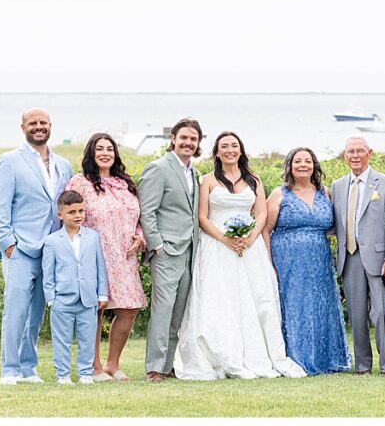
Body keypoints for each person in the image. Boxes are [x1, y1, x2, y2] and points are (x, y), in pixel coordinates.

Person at [175, 132, 306, 380]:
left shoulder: (253, 180)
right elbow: (202, 216)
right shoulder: (207, 180)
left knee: (256, 299)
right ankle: (223, 354)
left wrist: (250, 238)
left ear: (241, 150)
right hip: (217, 246)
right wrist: (225, 239)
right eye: (224, 146)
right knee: (220, 299)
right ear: (217, 152)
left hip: (250, 248)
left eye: (234, 145)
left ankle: (258, 355)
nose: (230, 150)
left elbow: (261, 214)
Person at [0, 108, 72, 385]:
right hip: (20, 249)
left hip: (51, 249)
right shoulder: (9, 161)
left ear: (50, 125)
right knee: (15, 311)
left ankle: (28, 367)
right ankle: (9, 369)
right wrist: (7, 244)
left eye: (43, 123)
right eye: (33, 123)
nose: (39, 127)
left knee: (37, 312)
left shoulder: (63, 165)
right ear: (23, 127)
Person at [65, 133, 146, 382]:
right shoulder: (80, 183)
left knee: (129, 308)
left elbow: (136, 216)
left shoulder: (124, 183)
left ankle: (113, 363)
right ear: (91, 153)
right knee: (95, 309)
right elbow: (70, 215)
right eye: (99, 149)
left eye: (109, 149)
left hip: (125, 256)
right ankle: (94, 367)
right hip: (95, 255)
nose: (105, 153)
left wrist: (140, 236)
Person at [265, 147, 350, 375]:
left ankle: (325, 359)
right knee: (294, 306)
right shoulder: (279, 194)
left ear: (314, 166)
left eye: (308, 161)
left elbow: (334, 226)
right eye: (298, 161)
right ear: (290, 166)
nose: (303, 165)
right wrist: (268, 263)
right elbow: (265, 230)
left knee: (320, 306)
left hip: (319, 260)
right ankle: (294, 358)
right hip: (287, 261)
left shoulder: (325, 192)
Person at [330, 134, 385, 375]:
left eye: (360, 151)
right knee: (357, 314)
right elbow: (334, 222)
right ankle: (362, 365)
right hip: (349, 256)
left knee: (381, 311)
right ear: (345, 156)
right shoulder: (337, 186)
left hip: (379, 258)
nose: (355, 156)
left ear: (369, 153)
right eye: (350, 152)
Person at [138, 118, 202, 382]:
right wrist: (157, 245)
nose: (188, 142)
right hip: (166, 251)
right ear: (173, 139)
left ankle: (167, 365)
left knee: (178, 312)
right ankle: (154, 367)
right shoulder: (158, 168)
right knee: (163, 310)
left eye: (193, 139)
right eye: (184, 137)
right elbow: (147, 210)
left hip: (189, 250)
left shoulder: (195, 173)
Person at [41, 191, 110, 385]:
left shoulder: (93, 237)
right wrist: (51, 299)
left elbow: (100, 266)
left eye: (81, 211)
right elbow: (48, 273)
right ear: (60, 215)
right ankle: (62, 375)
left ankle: (85, 374)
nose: (78, 215)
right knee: (61, 340)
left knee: (87, 339)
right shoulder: (52, 241)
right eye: (72, 212)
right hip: (62, 300)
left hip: (88, 299)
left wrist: (102, 293)